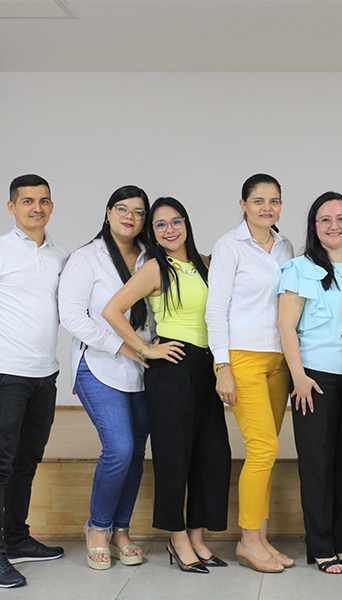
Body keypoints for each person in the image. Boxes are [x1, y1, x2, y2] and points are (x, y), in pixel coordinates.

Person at [103, 197, 231, 574]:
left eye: (176, 221)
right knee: (175, 457)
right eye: (160, 225)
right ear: (152, 232)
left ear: (187, 224)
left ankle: (197, 535)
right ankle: (176, 538)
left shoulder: (207, 264)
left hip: (207, 366)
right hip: (173, 369)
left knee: (211, 456)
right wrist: (144, 348)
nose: (170, 229)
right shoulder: (156, 268)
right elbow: (112, 310)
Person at [277, 192, 342, 573]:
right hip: (313, 379)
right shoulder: (299, 267)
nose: (334, 226)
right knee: (317, 465)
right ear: (314, 226)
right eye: (325, 219)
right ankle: (320, 547)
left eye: (341, 218)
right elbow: (286, 325)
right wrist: (298, 376)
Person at [59, 186, 154, 570]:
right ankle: (97, 527)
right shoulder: (86, 258)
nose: (130, 217)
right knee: (119, 448)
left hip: (143, 368)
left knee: (134, 455)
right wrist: (120, 346)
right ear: (108, 213)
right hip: (97, 364)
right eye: (122, 209)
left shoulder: (151, 256)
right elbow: (72, 317)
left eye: (138, 212)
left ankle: (120, 529)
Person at [206, 174, 294, 573]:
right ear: (242, 204)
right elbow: (216, 308)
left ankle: (260, 537)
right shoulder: (229, 246)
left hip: (278, 360)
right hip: (241, 357)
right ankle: (247, 540)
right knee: (263, 449)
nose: (266, 208)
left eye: (274, 201)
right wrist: (222, 365)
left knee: (268, 451)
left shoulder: (286, 246)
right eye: (258, 201)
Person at [0, 175, 68, 589]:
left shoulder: (61, 256)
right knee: (1, 464)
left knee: (26, 462)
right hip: (7, 373)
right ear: (12, 207)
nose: (36, 208)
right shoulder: (1, 249)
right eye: (27, 201)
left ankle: (17, 538)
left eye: (43, 201)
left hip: (46, 373)